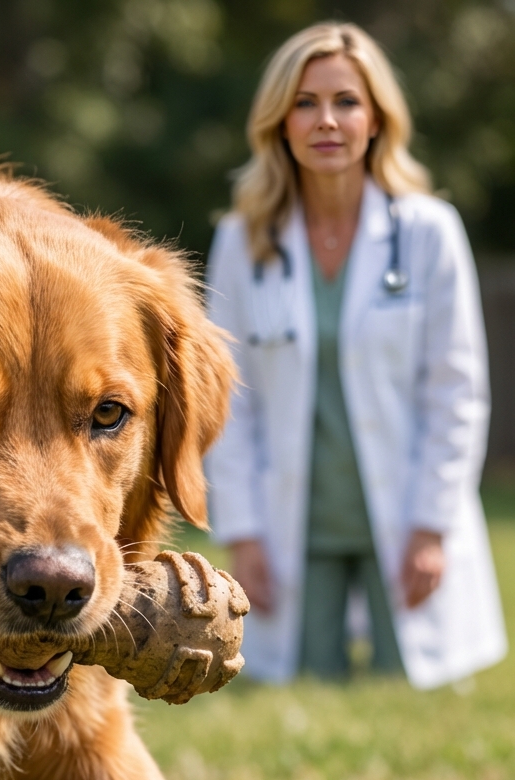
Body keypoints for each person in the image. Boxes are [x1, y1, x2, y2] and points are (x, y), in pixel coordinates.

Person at [204, 22, 507, 686]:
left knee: (414, 683)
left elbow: (456, 388)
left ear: (377, 119)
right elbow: (227, 399)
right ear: (280, 124)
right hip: (298, 519)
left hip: (401, 512)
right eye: (306, 103)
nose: (327, 121)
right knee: (299, 682)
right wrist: (245, 532)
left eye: (346, 100)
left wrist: (431, 524)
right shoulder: (242, 241)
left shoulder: (428, 232)